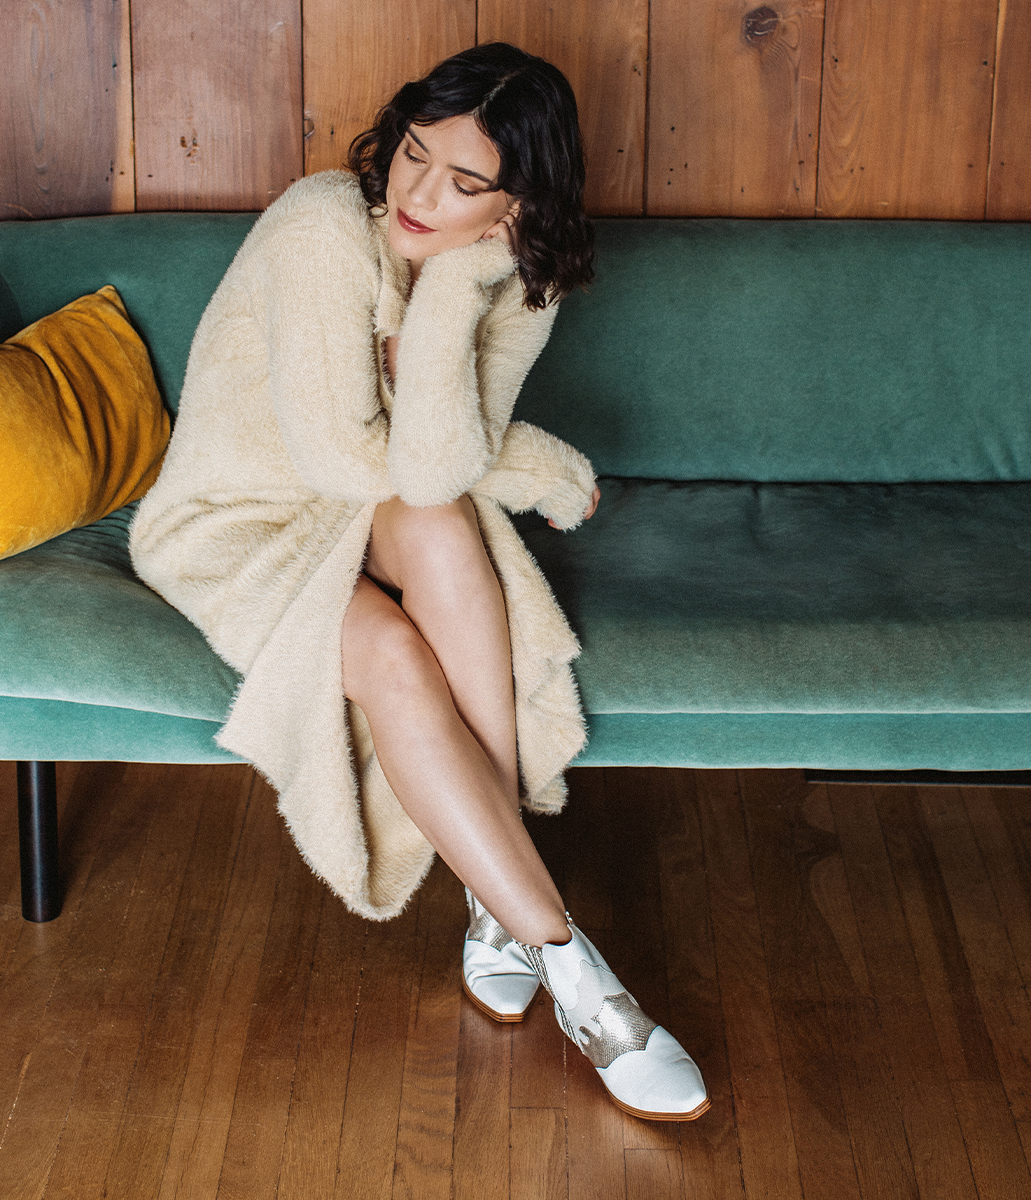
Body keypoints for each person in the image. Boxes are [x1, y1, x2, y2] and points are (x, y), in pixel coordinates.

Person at [130, 42, 708, 1121]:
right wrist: (538, 465)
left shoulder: (514, 274)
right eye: (412, 154)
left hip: (374, 506)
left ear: (516, 204)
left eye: (465, 182)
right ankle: (578, 974)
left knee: (441, 522)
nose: (420, 194)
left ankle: (496, 908)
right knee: (396, 652)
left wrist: (456, 289)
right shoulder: (322, 225)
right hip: (235, 525)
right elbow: (357, 459)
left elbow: (436, 466)